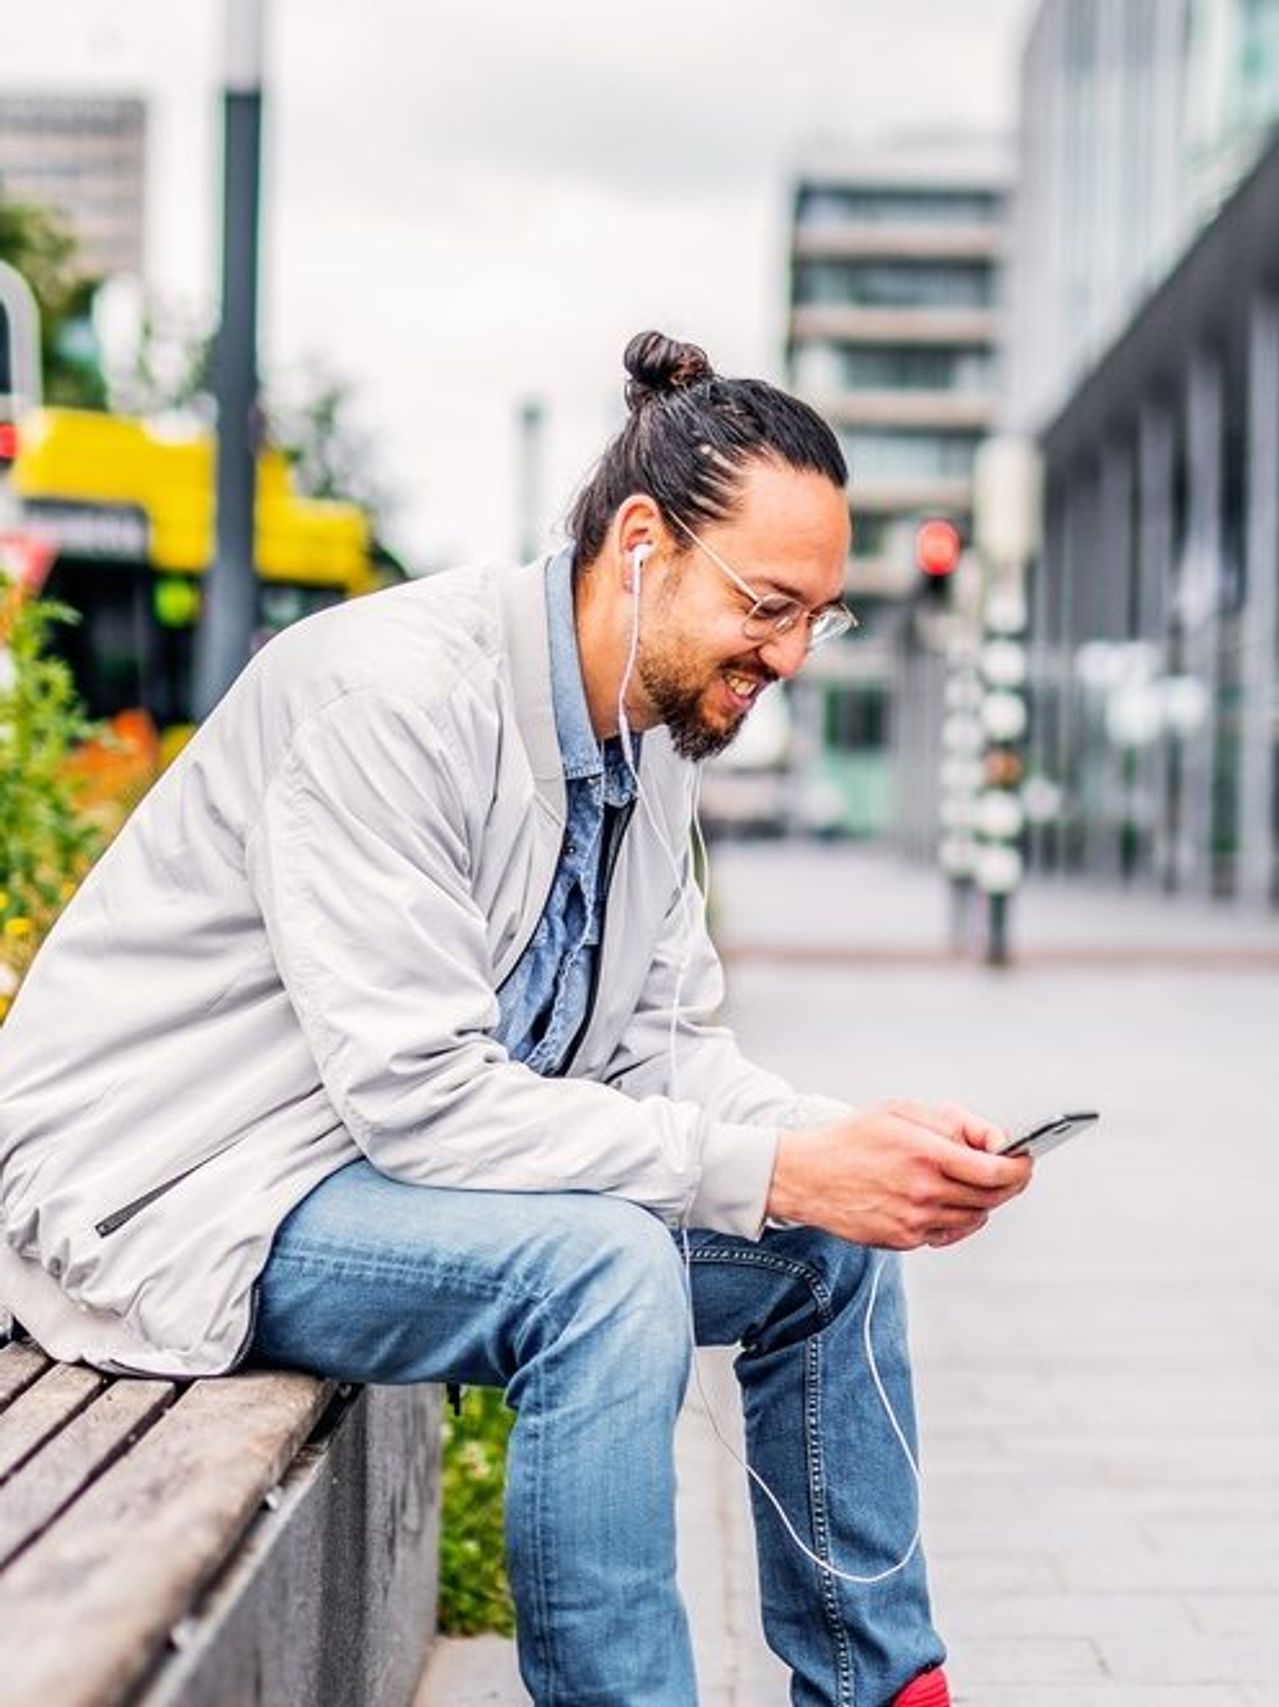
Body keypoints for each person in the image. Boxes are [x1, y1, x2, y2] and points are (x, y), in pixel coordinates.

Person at [0, 331, 1031, 1707]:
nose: (790, 655)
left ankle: (879, 1692)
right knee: (599, 1275)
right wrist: (781, 1167)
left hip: (359, 1176)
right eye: (770, 605)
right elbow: (422, 1100)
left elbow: (660, 1051)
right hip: (181, 1192)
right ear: (645, 542)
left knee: (828, 1252)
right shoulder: (396, 699)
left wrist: (848, 1149)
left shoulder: (647, 737)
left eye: (817, 617)